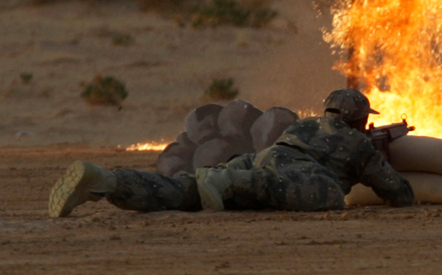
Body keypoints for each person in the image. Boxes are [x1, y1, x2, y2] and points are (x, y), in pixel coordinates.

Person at [49, 88, 414, 217]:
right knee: (330, 195)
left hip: (262, 158)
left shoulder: (304, 124)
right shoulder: (358, 143)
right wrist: (380, 156)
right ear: (360, 120)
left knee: (183, 190)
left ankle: (108, 182)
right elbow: (397, 192)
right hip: (292, 175)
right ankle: (228, 181)